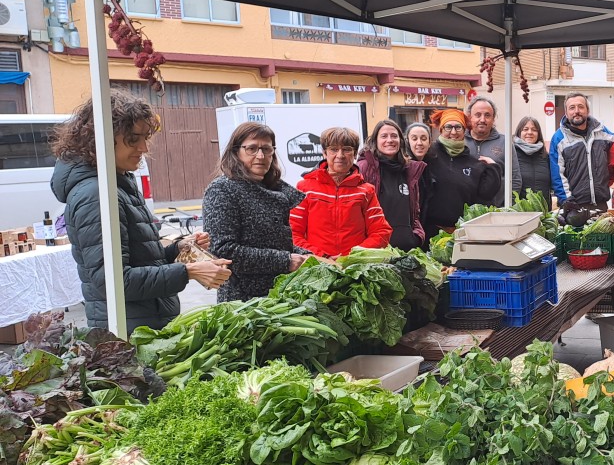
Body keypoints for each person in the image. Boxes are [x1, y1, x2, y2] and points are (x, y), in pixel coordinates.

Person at [49, 90, 230, 332]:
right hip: (126, 331)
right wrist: (189, 271)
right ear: (100, 138)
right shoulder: (96, 195)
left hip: (146, 323)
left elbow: (140, 261)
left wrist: (178, 249)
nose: (144, 147)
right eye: (134, 139)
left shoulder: (120, 181)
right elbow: (114, 282)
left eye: (146, 137)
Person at [203, 122, 309, 302]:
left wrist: (308, 257)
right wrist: (285, 261)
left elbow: (277, 244)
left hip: (280, 295)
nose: (260, 156)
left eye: (267, 149)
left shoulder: (274, 189)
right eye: (251, 148)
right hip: (244, 302)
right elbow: (223, 251)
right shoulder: (222, 189)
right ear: (236, 152)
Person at [289, 126, 392, 258]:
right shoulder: (305, 188)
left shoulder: (366, 191)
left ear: (355, 154)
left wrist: (350, 257)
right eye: (333, 149)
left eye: (347, 150)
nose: (340, 155)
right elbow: (293, 234)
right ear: (324, 153)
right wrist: (322, 257)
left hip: (354, 267)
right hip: (315, 267)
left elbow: (381, 232)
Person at [421, 107, 501, 237]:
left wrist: (493, 167)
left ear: (465, 131)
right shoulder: (428, 156)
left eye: (458, 127)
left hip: (462, 233)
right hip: (430, 232)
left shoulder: (473, 164)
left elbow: (487, 194)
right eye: (448, 127)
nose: (453, 132)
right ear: (441, 129)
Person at [355, 119, 426, 250]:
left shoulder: (409, 170)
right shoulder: (363, 168)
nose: (390, 140)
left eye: (394, 136)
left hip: (406, 248)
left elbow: (415, 211)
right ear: (375, 141)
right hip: (376, 250)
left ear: (401, 140)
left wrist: (416, 236)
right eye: (384, 136)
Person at [549, 92, 614, 206]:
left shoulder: (601, 131)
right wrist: (567, 201)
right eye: (572, 108)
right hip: (574, 206)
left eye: (581, 107)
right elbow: (557, 175)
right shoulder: (559, 138)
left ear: (588, 110)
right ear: (566, 112)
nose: (577, 111)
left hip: (601, 205)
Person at [465, 96, 521, 205]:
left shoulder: (505, 142)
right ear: (469, 117)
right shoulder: (460, 141)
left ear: (493, 118)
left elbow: (515, 179)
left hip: (497, 211)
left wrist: (508, 207)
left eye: (487, 115)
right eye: (477, 115)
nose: (482, 120)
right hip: (464, 212)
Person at [514, 116, 551, 200]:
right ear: (519, 132)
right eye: (525, 129)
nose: (530, 132)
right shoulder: (512, 155)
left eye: (534, 130)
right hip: (520, 210)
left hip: (543, 210)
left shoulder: (545, 156)